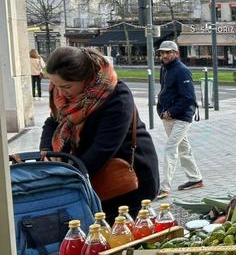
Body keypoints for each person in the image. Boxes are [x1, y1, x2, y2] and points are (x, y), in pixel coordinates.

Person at [40, 46, 159, 218]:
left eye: (66, 86)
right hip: (87, 175)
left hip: (125, 179)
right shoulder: (65, 95)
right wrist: (46, 152)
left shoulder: (117, 95)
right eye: (55, 85)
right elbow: (53, 121)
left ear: (86, 78)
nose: (60, 92)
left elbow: (102, 149)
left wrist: (65, 177)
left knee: (120, 235)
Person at [156, 41, 203, 199]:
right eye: (162, 53)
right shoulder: (164, 69)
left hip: (182, 117)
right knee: (183, 148)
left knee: (170, 148)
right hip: (168, 116)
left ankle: (164, 187)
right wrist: (161, 111)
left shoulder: (182, 71)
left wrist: (171, 112)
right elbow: (164, 92)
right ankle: (195, 178)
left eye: (168, 52)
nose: (164, 55)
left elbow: (189, 97)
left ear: (176, 53)